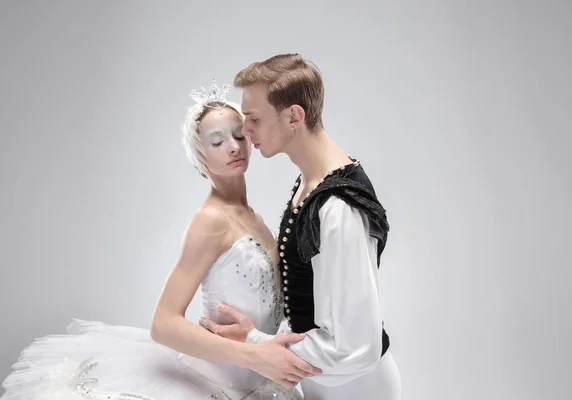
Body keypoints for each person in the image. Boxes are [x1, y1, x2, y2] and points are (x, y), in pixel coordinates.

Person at [0, 80, 321, 400]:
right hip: (219, 384)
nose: (234, 146)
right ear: (200, 154)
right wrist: (253, 354)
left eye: (238, 134)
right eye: (217, 141)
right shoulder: (210, 221)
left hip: (265, 382)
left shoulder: (253, 217)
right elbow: (164, 324)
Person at [200, 54, 403, 400]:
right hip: (322, 384)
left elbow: (355, 347)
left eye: (253, 119)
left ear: (293, 116)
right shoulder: (310, 183)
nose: (245, 132)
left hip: (356, 391)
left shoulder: (338, 208)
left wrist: (254, 343)